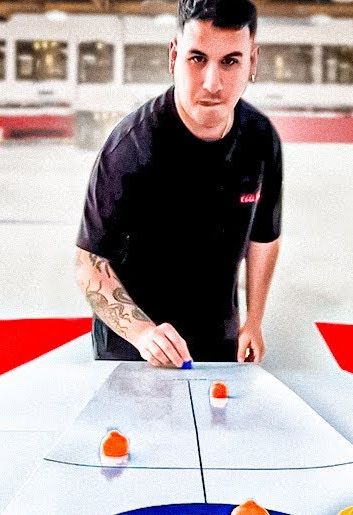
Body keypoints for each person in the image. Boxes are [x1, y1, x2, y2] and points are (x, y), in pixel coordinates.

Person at [74, 0, 282, 367]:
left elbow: (263, 238)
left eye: (230, 61)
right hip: (134, 352)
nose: (212, 83)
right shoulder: (130, 147)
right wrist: (143, 334)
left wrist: (254, 320)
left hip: (219, 343)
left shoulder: (261, 139)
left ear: (253, 61)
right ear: (174, 56)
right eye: (197, 59)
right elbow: (90, 263)